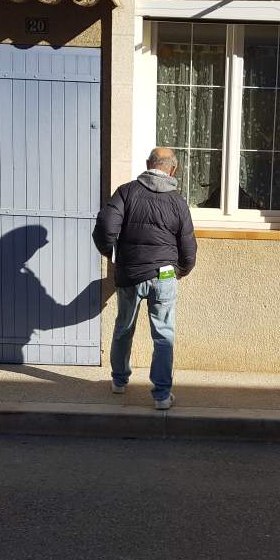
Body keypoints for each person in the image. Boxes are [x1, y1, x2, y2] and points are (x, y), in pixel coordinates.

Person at [92, 147, 197, 410]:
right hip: (165, 275)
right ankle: (161, 396)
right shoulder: (177, 202)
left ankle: (119, 381)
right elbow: (188, 245)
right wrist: (181, 270)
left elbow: (105, 227)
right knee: (163, 334)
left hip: (130, 274)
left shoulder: (126, 192)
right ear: (173, 169)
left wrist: (113, 255)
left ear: (148, 164)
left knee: (124, 327)